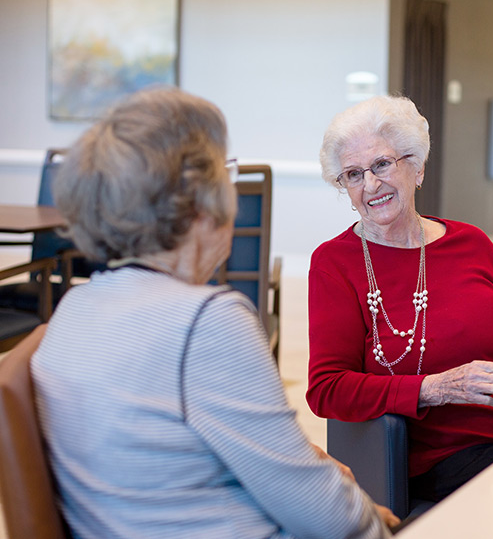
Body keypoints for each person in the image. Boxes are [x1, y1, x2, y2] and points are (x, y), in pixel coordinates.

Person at [31, 87, 396, 538]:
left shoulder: (75, 307)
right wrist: (373, 519)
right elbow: (328, 519)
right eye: (228, 172)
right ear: (201, 204)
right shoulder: (206, 321)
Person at [307, 95, 493, 503]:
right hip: (454, 458)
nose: (371, 185)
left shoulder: (472, 243)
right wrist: (437, 388)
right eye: (353, 175)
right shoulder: (334, 264)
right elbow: (327, 388)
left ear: (417, 166)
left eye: (381, 164)